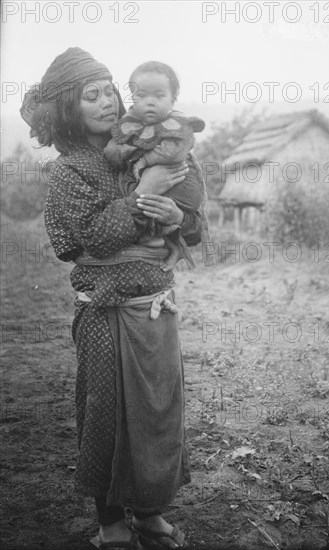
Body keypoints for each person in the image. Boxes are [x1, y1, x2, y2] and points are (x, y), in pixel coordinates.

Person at [21, 47, 199, 549]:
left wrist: (177, 218)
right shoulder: (71, 170)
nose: (105, 103)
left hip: (157, 305)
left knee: (156, 412)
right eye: (89, 96)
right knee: (108, 413)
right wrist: (145, 196)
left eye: (109, 91)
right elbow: (80, 241)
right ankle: (111, 522)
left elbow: (196, 222)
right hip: (105, 312)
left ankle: (148, 511)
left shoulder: (157, 143)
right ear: (68, 110)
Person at [104, 60, 210, 272]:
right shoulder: (130, 122)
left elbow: (173, 153)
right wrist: (122, 151)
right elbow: (112, 151)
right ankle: (164, 244)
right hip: (150, 186)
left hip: (180, 183)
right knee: (140, 201)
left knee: (161, 209)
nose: (149, 103)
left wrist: (143, 160)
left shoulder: (177, 124)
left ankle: (167, 240)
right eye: (141, 96)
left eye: (159, 96)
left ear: (173, 99)